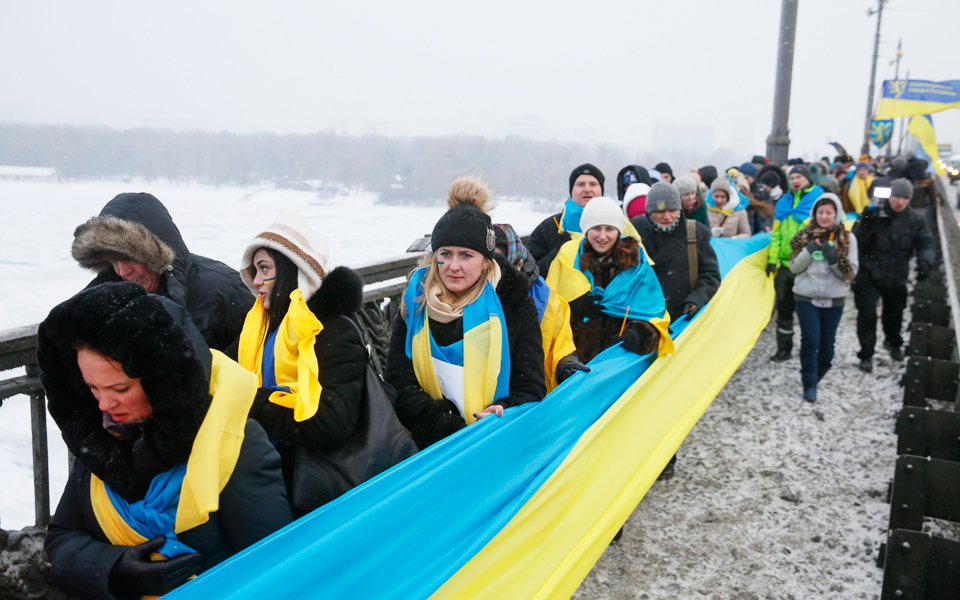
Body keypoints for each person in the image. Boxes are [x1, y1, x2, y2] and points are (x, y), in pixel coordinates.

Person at [39, 283, 292, 600]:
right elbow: (61, 539)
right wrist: (115, 570)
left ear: (164, 382)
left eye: (120, 390)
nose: (103, 405)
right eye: (93, 388)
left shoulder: (237, 443)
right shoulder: (102, 441)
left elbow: (275, 572)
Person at [385, 176, 546, 449]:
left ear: (486, 262)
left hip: (495, 443)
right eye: (445, 254)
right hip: (429, 446)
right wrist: (439, 422)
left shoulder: (513, 303)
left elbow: (530, 386)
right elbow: (399, 379)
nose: (452, 266)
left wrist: (503, 410)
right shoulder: (416, 300)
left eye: (466, 255)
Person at [236, 211, 372, 514]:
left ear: (291, 271)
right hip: (269, 470)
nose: (256, 281)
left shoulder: (330, 330)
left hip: (319, 484)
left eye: (264, 269)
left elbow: (331, 425)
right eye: (254, 270)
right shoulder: (262, 327)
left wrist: (251, 401)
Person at [71, 192, 253, 356]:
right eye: (113, 262)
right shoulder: (96, 299)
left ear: (156, 253)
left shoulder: (225, 289)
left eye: (131, 259)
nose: (122, 271)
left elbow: (259, 359)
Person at [546, 196, 673, 364]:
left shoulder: (637, 265)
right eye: (596, 228)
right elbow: (549, 306)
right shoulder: (568, 256)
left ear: (619, 231)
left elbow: (657, 317)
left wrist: (640, 333)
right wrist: (572, 306)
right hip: (574, 361)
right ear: (586, 229)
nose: (603, 236)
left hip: (619, 363)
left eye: (610, 229)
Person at [852, 178, 935, 372]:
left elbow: (926, 243)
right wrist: (865, 222)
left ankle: (893, 342)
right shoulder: (874, 214)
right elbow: (855, 241)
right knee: (867, 314)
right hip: (868, 273)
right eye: (897, 197)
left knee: (895, 311)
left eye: (905, 199)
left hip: (896, 274)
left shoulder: (915, 219)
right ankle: (866, 353)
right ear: (890, 196)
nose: (900, 202)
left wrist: (925, 262)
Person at [493, 223, 588, 392]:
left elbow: (560, 343)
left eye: (498, 259)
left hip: (530, 393)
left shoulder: (543, 297)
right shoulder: (466, 294)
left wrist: (566, 365)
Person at [788, 194, 859, 401]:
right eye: (821, 212)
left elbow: (851, 272)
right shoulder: (804, 236)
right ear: (814, 214)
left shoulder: (847, 238)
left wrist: (833, 257)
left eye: (829, 212)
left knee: (827, 345)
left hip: (833, 297)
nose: (825, 217)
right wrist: (809, 251)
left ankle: (821, 370)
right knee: (810, 340)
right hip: (805, 296)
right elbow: (793, 267)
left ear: (836, 214)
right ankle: (809, 383)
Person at [631, 182, 721, 324]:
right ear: (649, 211)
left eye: (672, 210)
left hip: (683, 315)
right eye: (660, 211)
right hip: (644, 316)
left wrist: (696, 299)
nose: (667, 217)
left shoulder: (697, 233)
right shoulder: (633, 231)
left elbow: (711, 276)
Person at [767, 165, 824, 362]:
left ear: (808, 179)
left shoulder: (818, 201)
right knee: (784, 309)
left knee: (808, 312)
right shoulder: (784, 202)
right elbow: (776, 235)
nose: (796, 181)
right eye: (793, 178)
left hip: (808, 266)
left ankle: (812, 349)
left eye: (799, 177)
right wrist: (772, 260)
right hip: (785, 265)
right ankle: (784, 348)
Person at [527, 164, 605, 274]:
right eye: (580, 184)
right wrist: (559, 251)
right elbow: (530, 273)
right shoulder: (550, 227)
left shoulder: (619, 225)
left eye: (593, 184)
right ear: (571, 190)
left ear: (601, 190)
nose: (587, 189)